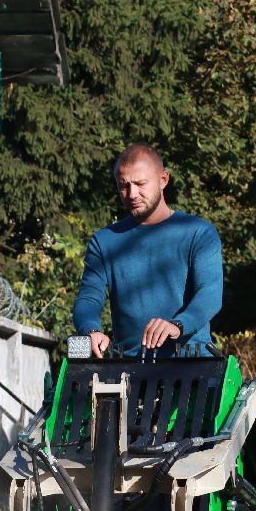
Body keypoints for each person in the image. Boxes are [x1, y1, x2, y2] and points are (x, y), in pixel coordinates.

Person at [72, 143, 223, 357]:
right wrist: (91, 330)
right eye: (124, 186)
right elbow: (89, 298)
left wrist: (178, 325)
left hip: (192, 365)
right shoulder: (103, 241)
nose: (132, 194)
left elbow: (210, 294)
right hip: (130, 370)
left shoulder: (199, 233)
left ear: (164, 180)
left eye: (140, 184)